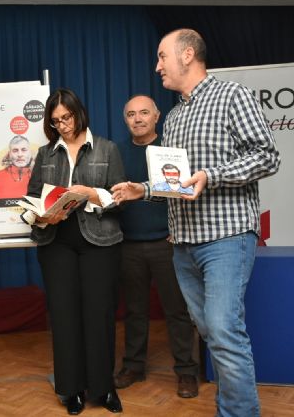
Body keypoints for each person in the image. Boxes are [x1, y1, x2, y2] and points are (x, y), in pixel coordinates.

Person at [112, 29, 280, 417]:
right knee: (211, 333)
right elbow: (175, 184)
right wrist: (143, 189)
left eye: (161, 57)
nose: (157, 66)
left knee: (223, 331)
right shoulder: (172, 117)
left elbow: (268, 157)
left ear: (187, 55)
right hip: (183, 243)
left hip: (226, 237)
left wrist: (212, 175)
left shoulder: (232, 96)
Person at [24, 88, 125, 415]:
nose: (62, 126)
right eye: (55, 122)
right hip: (56, 242)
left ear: (78, 113)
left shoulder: (107, 148)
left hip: (99, 240)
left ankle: (103, 388)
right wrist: (40, 214)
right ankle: (72, 390)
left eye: (66, 118)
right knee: (65, 317)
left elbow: (118, 197)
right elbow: (32, 197)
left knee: (99, 314)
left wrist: (91, 194)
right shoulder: (45, 154)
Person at [114, 95, 199, 398]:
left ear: (157, 116)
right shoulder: (116, 153)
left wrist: (177, 231)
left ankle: (187, 372)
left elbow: (184, 192)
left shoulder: (171, 151)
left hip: (167, 243)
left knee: (176, 311)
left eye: (144, 113)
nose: (137, 119)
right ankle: (134, 366)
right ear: (125, 119)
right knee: (134, 311)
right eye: (131, 114)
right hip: (129, 245)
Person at [0, 134, 32, 199]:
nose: (20, 154)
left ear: (30, 153)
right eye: (15, 150)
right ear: (9, 154)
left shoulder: (39, 177)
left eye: (24, 150)